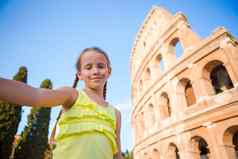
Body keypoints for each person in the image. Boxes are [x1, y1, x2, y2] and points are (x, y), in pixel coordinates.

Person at [0, 47, 123, 159]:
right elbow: (35, 95)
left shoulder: (116, 114)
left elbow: (117, 155)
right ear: (79, 74)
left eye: (101, 66)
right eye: (88, 67)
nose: (95, 71)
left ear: (109, 71)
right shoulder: (72, 95)